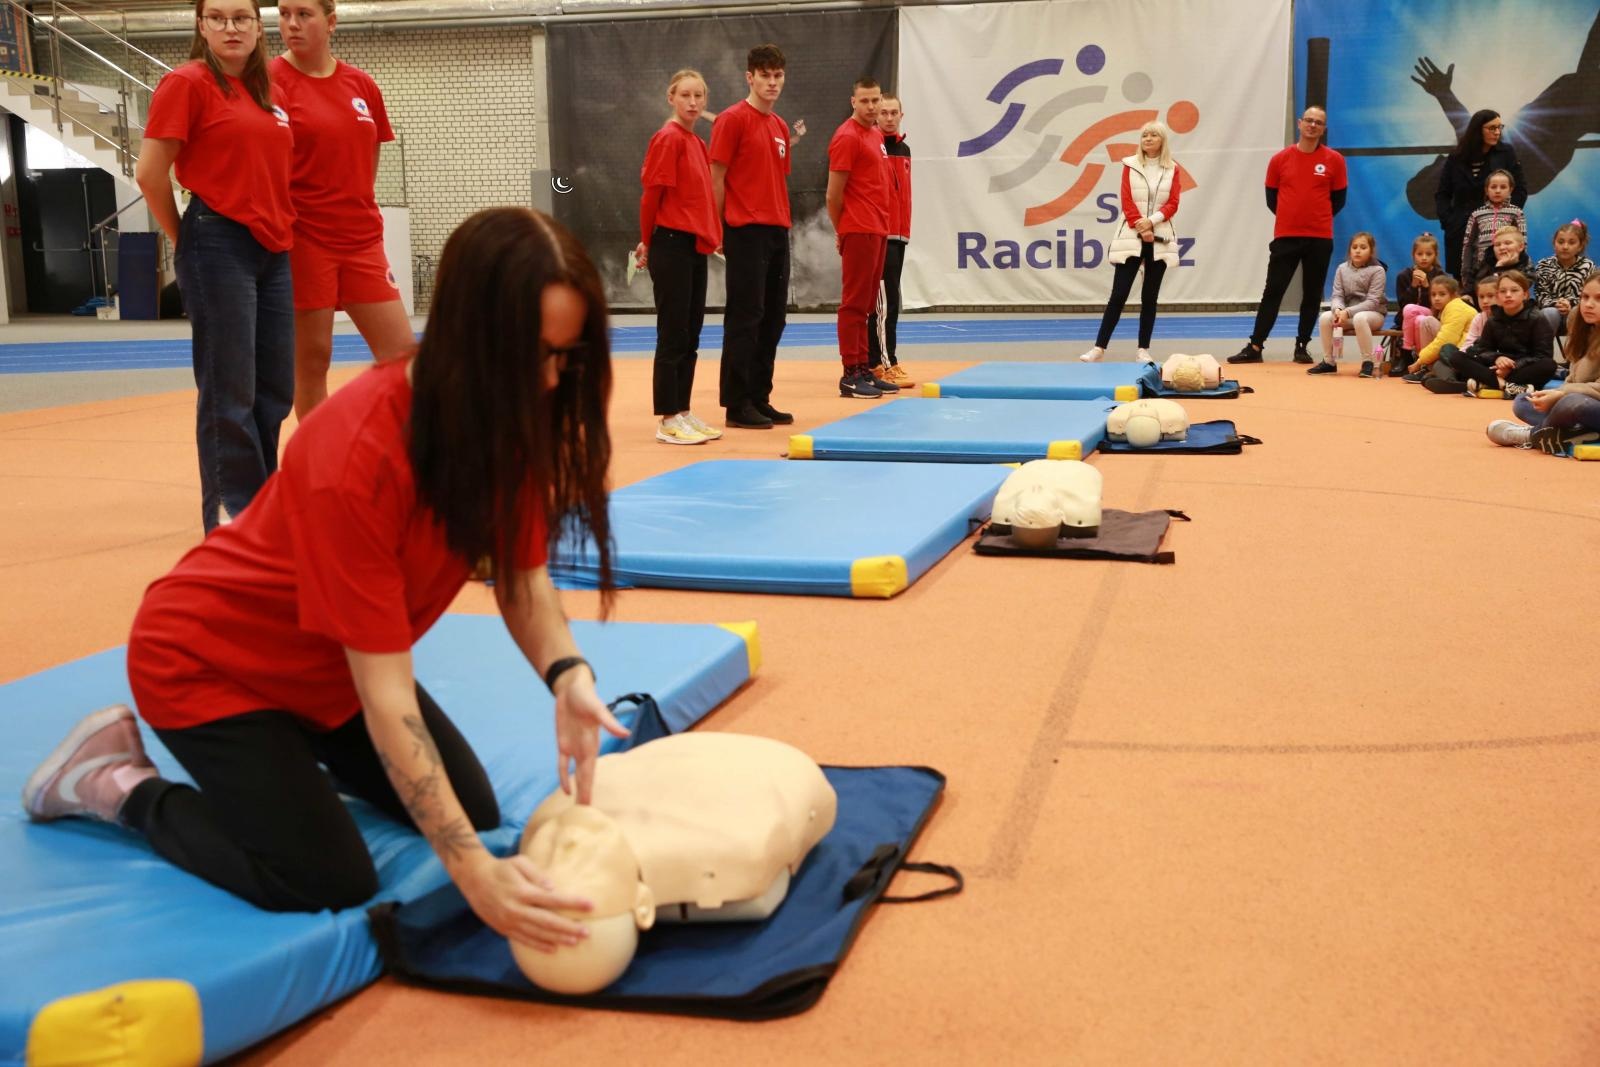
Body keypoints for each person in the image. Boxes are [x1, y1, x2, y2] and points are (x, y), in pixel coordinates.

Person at [22, 208, 627, 954]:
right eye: (534, 354)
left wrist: (567, 674)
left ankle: (284, 776)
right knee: (327, 877)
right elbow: (386, 695)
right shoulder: (358, 453)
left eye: (565, 357)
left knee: (469, 806)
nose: (548, 378)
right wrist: (473, 875)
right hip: (208, 663)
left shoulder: (506, 417)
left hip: (323, 668)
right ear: (474, 339)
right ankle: (116, 784)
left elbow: (523, 579)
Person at [135, 0, 294, 533]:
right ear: (201, 26)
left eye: (242, 17)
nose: (232, 27)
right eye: (219, 17)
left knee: (276, 388)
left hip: (274, 247)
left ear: (257, 26)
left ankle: (264, 507)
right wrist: (186, 239)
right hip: (217, 238)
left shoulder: (268, 91)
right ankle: (232, 518)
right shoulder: (187, 83)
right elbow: (150, 174)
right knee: (231, 389)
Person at [272, 0, 413, 421]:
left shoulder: (361, 85)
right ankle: (321, 467)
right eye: (283, 14)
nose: (292, 24)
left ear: (331, 22)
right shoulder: (270, 81)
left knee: (402, 357)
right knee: (312, 361)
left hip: (361, 240)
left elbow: (368, 159)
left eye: (304, 14)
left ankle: (403, 460)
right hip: (304, 241)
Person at [634, 69, 721, 446]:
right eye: (685, 95)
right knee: (673, 334)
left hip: (694, 248)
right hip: (669, 245)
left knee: (691, 334)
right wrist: (645, 242)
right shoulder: (667, 139)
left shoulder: (697, 143)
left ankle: (683, 410)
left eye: (699, 96)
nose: (693, 102)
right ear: (671, 97)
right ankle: (667, 418)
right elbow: (651, 196)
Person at [709, 44, 794, 430]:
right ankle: (736, 402)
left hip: (777, 229)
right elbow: (716, 177)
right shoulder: (731, 119)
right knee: (746, 316)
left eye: (777, 76)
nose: (772, 82)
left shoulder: (778, 126)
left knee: (773, 317)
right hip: (744, 229)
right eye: (765, 75)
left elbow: (777, 178)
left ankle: (760, 395)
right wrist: (718, 226)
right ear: (750, 77)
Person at [1228, 106, 1347, 366]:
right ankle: (1256, 345)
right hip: (1286, 237)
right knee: (1273, 291)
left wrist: (1316, 218)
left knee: (1312, 293)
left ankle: (1302, 346)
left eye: (1318, 122)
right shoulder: (1279, 160)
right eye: (1309, 121)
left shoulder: (1334, 161)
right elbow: (1272, 199)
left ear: (1323, 129)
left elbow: (1338, 200)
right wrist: (1291, 218)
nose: (1313, 125)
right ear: (1299, 123)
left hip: (1319, 238)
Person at [1079, 121, 1182, 365]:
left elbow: (1173, 202)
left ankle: (1143, 349)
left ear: (1162, 140)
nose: (1147, 139)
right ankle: (1099, 347)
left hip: (1160, 237)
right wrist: (1140, 225)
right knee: (1119, 294)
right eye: (1144, 135)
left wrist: (1153, 221)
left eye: (1153, 135)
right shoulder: (1130, 164)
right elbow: (1126, 200)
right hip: (1132, 236)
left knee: (1150, 296)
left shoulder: (1172, 169)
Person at [827, 77, 899, 399]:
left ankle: (863, 367)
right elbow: (833, 194)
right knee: (854, 303)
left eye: (876, 101)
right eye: (865, 101)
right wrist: (842, 229)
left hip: (878, 228)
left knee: (868, 303)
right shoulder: (846, 137)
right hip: (858, 228)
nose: (872, 107)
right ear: (853, 101)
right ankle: (849, 373)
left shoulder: (875, 135)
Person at [1487, 271, 1600, 452]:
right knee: (1523, 400)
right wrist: (1554, 394)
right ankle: (1574, 432)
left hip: (1585, 404)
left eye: (1598, 299)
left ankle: (1532, 434)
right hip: (1577, 399)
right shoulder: (1584, 329)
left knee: (1573, 404)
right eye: (1585, 297)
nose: (1588, 304)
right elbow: (1573, 379)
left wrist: (1561, 395)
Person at [1431, 110, 1527, 280]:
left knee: (1499, 279)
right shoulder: (1456, 157)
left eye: (1499, 127)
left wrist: (1507, 215)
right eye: (1491, 128)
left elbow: (1520, 189)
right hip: (1460, 229)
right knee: (1463, 281)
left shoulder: (1506, 153)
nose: (1497, 132)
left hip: (1496, 230)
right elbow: (1442, 194)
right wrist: (1449, 222)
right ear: (1477, 130)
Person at [1435, 270, 1556, 396]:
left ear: (1525, 294)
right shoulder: (1493, 319)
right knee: (1457, 357)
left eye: (1514, 290)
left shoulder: (1538, 318)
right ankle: (1505, 386)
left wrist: (1512, 367)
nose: (1508, 295)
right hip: (1497, 368)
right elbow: (1483, 350)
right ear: (1498, 296)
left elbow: (1542, 355)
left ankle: (1483, 384)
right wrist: (1497, 358)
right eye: (1503, 291)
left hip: (1522, 368)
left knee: (1549, 365)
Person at [866, 93, 913, 388]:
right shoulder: (873, 147)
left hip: (899, 235)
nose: (888, 117)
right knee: (883, 302)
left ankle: (881, 359)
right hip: (879, 233)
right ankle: (884, 361)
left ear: (901, 114)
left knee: (889, 299)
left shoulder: (905, 149)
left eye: (893, 112)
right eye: (883, 112)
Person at [1308, 231, 1386, 377]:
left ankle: (1368, 362)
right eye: (1354, 247)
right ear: (1350, 250)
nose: (1358, 250)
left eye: (1363, 247)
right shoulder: (1342, 269)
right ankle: (1329, 362)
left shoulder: (1378, 270)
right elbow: (1337, 295)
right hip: (1346, 315)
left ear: (1371, 251)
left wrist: (1347, 312)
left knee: (1360, 318)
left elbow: (1372, 302)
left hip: (1373, 315)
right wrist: (1338, 309)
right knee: (1325, 317)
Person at [1458, 170, 1527, 293]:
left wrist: (1518, 267)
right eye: (1493, 187)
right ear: (1486, 190)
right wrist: (1466, 272)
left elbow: (1522, 243)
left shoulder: (1516, 213)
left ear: (1511, 189)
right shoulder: (1477, 214)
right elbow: (1467, 245)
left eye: (1503, 187)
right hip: (1481, 269)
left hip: (1508, 268)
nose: (1498, 190)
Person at [1401, 275, 1474, 383]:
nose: (1436, 298)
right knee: (1426, 321)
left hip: (1467, 354)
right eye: (1433, 294)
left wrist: (1420, 361)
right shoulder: (1448, 308)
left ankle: (1427, 368)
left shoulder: (1456, 308)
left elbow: (1446, 341)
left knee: (1427, 322)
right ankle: (1432, 370)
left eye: (1442, 294)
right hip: (1458, 350)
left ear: (1453, 295)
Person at [1531, 220, 1595, 340]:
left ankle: (1577, 354)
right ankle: (1543, 354)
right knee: (1549, 312)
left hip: (1576, 313)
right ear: (1554, 244)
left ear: (1580, 246)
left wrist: (1570, 304)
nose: (1565, 247)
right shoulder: (1544, 265)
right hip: (1550, 313)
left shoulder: (1587, 266)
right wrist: (1556, 304)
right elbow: (1540, 295)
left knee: (1576, 312)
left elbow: (1588, 296)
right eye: (1560, 242)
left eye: (1571, 243)